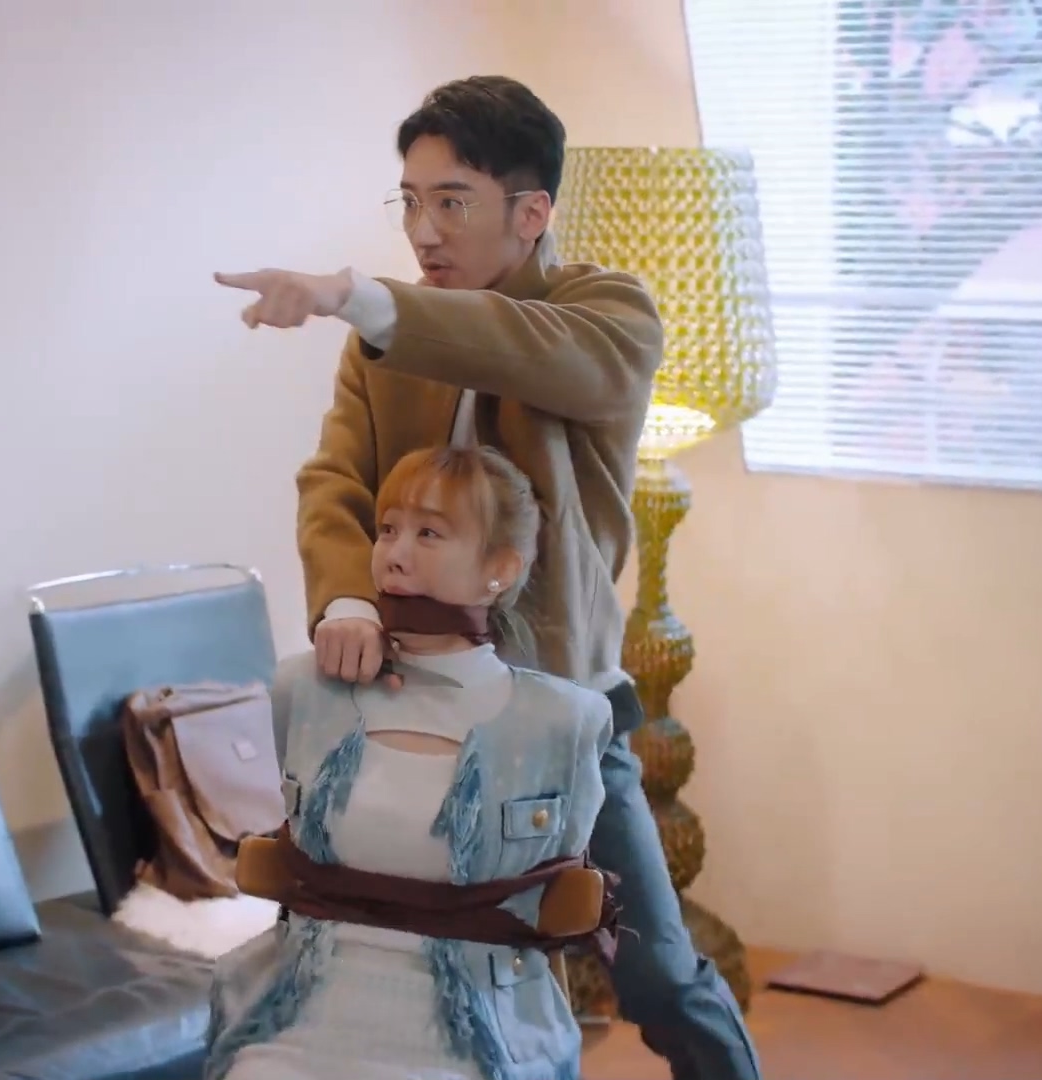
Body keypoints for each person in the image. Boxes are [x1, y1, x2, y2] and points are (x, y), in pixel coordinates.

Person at [214, 76, 763, 1080]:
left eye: (452, 202)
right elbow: (336, 483)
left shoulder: (610, 315)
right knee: (402, 970)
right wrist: (346, 597)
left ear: (532, 212)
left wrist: (355, 296)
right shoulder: (385, 341)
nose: (423, 229)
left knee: (656, 976)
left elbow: (524, 347)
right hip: (406, 704)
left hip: (562, 711)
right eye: (411, 201)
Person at [207, 444, 616, 1080]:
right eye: (388, 528)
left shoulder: (563, 723)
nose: (395, 553)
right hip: (305, 1011)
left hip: (470, 1031)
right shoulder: (304, 690)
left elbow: (551, 896)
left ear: (499, 569)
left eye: (429, 533)